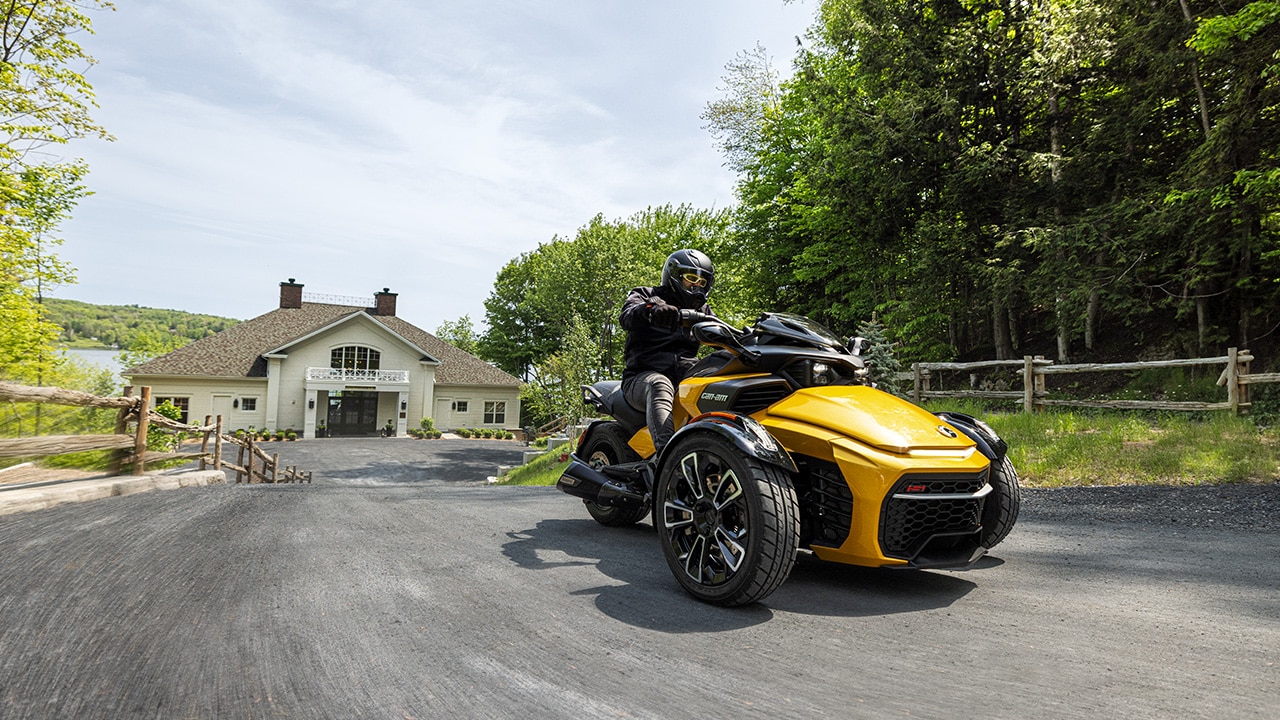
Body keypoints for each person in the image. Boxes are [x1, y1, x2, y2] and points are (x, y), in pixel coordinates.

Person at [619, 248, 715, 455]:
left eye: (702, 282)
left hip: (684, 377)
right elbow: (627, 316)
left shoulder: (703, 310)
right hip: (640, 378)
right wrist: (651, 310)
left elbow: (719, 331)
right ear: (675, 275)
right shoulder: (647, 294)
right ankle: (668, 456)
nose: (696, 285)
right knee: (659, 384)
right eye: (691, 278)